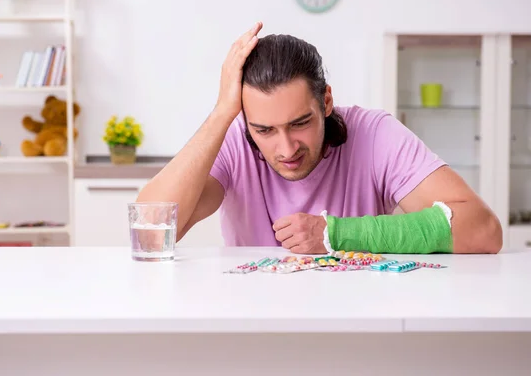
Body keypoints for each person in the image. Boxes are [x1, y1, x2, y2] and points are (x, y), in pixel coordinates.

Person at [136, 22, 502, 255]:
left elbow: (483, 230)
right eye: (264, 130)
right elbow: (149, 236)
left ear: (326, 101)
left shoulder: (375, 134)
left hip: (359, 320)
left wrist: (338, 234)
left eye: (299, 123)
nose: (286, 148)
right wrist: (222, 113)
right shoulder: (233, 137)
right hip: (254, 320)